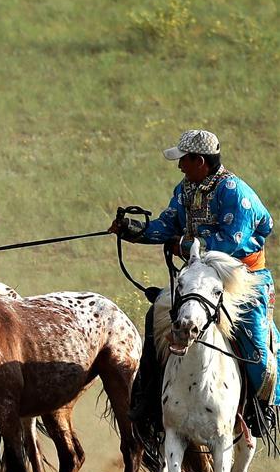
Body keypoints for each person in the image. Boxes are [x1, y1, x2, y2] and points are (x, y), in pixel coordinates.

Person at [111, 129, 278, 434]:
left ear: (200, 160)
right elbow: (167, 223)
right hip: (201, 275)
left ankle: (262, 406)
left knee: (254, 335)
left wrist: (184, 246)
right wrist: (134, 231)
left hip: (240, 276)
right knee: (157, 313)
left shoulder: (235, 193)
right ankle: (147, 394)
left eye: (183, 160)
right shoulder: (187, 187)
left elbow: (229, 243)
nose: (179, 166)